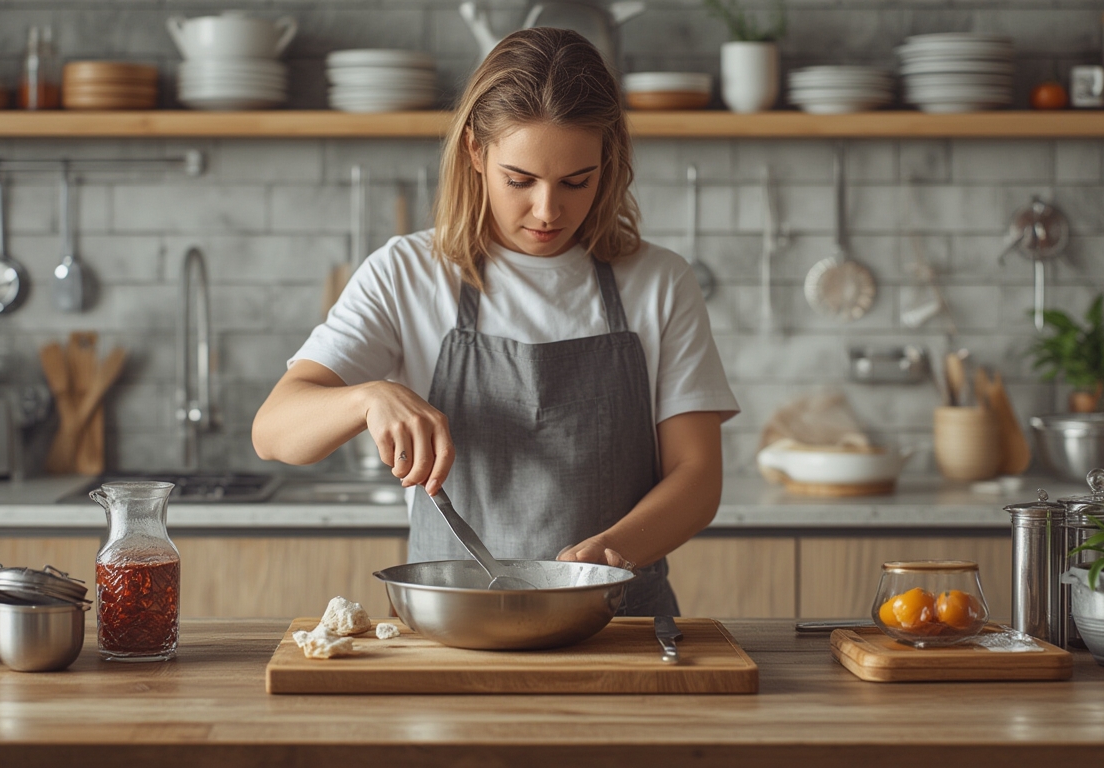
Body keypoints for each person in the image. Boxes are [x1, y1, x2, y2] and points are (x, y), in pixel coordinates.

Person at [252, 27, 739, 616]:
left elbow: (698, 477)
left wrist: (605, 555)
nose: (548, 210)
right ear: (475, 153)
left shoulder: (659, 281)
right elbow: (274, 430)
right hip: (451, 627)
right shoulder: (408, 272)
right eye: (521, 180)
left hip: (621, 624)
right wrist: (367, 398)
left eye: (575, 182)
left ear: (608, 162)